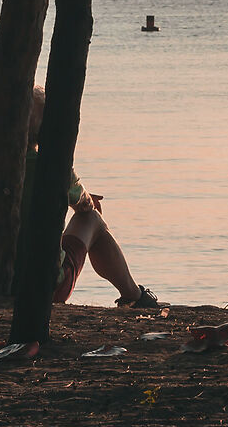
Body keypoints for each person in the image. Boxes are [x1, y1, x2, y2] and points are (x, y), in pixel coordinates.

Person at [24, 87, 160, 310]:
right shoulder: (54, 166)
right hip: (47, 285)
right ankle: (134, 295)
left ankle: (133, 295)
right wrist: (86, 201)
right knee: (92, 218)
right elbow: (84, 204)